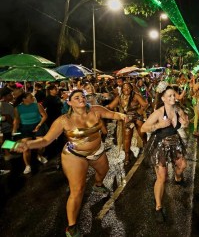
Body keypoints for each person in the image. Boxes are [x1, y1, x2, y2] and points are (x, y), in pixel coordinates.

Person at [14, 89, 129, 236]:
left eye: (83, 96)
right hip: (75, 155)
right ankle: (71, 226)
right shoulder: (63, 120)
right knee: (78, 190)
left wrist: (122, 116)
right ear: (69, 102)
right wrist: (28, 145)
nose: (81, 98)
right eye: (76, 97)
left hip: (97, 151)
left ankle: (98, 185)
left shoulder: (96, 110)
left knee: (103, 171)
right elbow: (45, 140)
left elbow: (113, 114)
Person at [141, 85, 188, 223]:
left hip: (175, 142)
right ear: (163, 98)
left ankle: (178, 178)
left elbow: (185, 122)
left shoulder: (178, 109)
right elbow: (144, 128)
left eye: (174, 95)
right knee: (162, 177)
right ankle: (158, 207)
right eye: (170, 96)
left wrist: (184, 122)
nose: (173, 97)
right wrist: (158, 126)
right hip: (160, 145)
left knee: (182, 165)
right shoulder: (159, 113)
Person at [106, 82, 148, 165]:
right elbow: (110, 107)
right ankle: (127, 155)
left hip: (136, 116)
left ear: (131, 88)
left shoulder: (136, 96)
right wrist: (100, 108)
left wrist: (138, 112)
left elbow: (145, 104)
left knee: (142, 131)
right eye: (124, 88)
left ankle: (146, 145)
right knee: (127, 135)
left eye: (128, 88)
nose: (126, 90)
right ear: (121, 89)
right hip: (127, 118)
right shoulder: (119, 97)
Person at [12, 92, 49, 174]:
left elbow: (45, 115)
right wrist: (14, 130)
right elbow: (16, 119)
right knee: (26, 146)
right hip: (25, 127)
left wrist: (39, 124)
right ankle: (27, 166)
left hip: (38, 125)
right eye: (31, 97)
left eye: (33, 97)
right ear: (24, 99)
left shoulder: (37, 105)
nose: (33, 98)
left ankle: (39, 155)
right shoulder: (18, 108)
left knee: (42, 143)